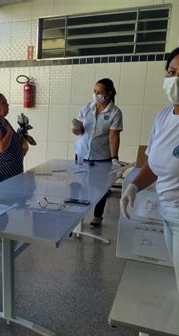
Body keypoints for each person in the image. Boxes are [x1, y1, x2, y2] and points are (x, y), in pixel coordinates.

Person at [120, 46, 179, 336]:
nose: (177, 79)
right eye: (172, 72)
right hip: (169, 214)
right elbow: (154, 163)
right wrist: (134, 186)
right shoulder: (163, 115)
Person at [71, 78, 123, 227]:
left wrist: (114, 158)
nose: (96, 94)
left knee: (101, 188)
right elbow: (79, 132)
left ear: (109, 93)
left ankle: (97, 217)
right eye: (94, 91)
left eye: (99, 92)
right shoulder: (87, 108)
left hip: (101, 156)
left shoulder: (115, 112)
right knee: (80, 185)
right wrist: (76, 127)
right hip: (81, 153)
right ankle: (77, 217)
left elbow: (113, 136)